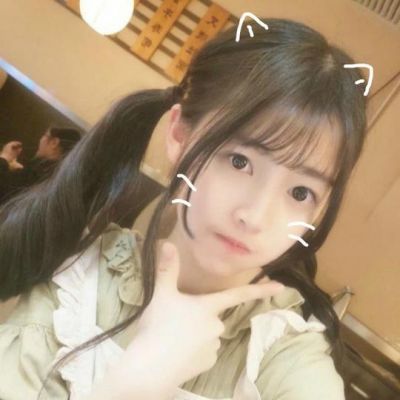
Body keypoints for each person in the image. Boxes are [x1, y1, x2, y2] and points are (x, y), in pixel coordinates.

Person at [0, 18, 366, 400]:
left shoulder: (285, 357)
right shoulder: (78, 282)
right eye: (239, 161)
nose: (255, 217)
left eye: (301, 192)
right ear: (179, 135)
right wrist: (139, 383)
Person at [0, 126, 81, 204]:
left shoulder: (39, 172)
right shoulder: (58, 179)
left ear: (54, 143)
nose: (41, 140)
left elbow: (4, 190)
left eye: (45, 135)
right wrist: (18, 170)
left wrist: (5, 157)